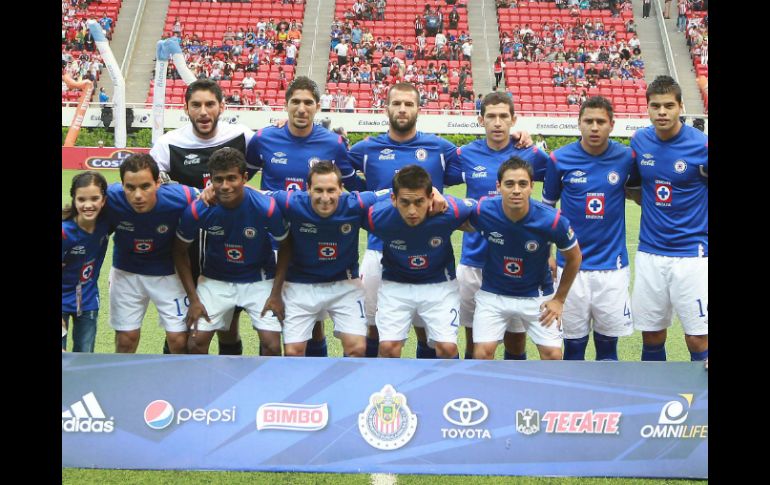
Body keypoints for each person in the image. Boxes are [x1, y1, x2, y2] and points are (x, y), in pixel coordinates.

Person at [349, 82, 532, 359]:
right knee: (375, 329)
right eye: (396, 103)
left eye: (408, 104)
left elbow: (485, 163)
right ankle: (377, 386)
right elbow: (327, 167)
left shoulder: (441, 149)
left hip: (432, 252)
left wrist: (514, 137)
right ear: (385, 107)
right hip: (380, 251)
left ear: (419, 109)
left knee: (430, 335)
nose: (402, 109)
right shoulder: (365, 149)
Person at [245, 76, 366, 357]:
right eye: (295, 102)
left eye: (308, 102)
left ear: (318, 106)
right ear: (285, 105)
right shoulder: (263, 138)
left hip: (317, 239)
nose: (301, 108)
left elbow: (355, 186)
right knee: (279, 323)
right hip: (275, 241)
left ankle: (317, 381)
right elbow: (242, 179)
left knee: (314, 319)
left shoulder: (334, 143)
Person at [150, 78, 254, 356]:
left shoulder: (243, 136)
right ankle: (176, 386)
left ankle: (228, 386)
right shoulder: (168, 144)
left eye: (210, 104)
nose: (203, 111)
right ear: (186, 108)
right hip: (186, 243)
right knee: (183, 325)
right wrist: (194, 195)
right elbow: (151, 186)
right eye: (196, 105)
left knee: (228, 324)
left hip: (230, 243)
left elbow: (267, 155)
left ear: (222, 106)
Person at [445, 92, 550, 360]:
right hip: (474, 261)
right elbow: (435, 177)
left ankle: (513, 399)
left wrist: (548, 250)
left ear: (513, 119)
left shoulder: (531, 155)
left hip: (517, 262)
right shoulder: (466, 154)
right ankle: (473, 393)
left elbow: (554, 192)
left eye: (504, 116)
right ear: (481, 120)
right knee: (474, 341)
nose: (498, 122)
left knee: (515, 343)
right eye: (491, 116)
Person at [262, 162, 391, 357]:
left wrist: (433, 191)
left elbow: (396, 190)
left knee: (357, 349)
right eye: (318, 190)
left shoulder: (355, 203)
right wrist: (210, 190)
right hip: (300, 284)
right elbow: (253, 193)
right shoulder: (292, 202)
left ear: (341, 189)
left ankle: (347, 387)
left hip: (344, 284)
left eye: (331, 190)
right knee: (293, 353)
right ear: (308, 190)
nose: (325, 198)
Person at [542, 96, 635, 361]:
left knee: (608, 347)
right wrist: (546, 254)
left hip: (613, 268)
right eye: (589, 121)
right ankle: (575, 401)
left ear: (612, 124)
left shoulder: (626, 157)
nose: (594, 127)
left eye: (600, 122)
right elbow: (547, 211)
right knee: (573, 346)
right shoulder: (559, 159)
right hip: (570, 269)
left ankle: (607, 400)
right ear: (579, 123)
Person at [173, 148, 288, 355]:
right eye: (219, 180)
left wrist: (276, 293)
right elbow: (179, 251)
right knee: (195, 343)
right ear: (211, 180)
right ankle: (205, 387)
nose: (225, 186)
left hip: (259, 279)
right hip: (215, 279)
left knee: (271, 344)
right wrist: (194, 299)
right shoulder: (199, 210)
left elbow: (287, 246)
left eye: (231, 178)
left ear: (244, 178)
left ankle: (266, 387)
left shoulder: (265, 207)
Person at [626, 75, 708, 362]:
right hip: (650, 253)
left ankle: (702, 401)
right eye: (655, 106)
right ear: (647, 108)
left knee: (697, 337)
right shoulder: (640, 140)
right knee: (651, 333)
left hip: (692, 255)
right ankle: (656, 396)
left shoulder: (702, 146)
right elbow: (634, 187)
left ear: (680, 107)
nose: (662, 112)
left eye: (668, 106)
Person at [469, 158, 582, 360]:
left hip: (537, 296)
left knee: (553, 357)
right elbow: (454, 214)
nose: (516, 190)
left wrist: (559, 300)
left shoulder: (553, 220)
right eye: (509, 184)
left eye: (522, 184)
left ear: (532, 187)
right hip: (493, 294)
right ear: (498, 186)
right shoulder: (482, 210)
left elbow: (574, 258)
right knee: (482, 354)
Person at [362, 165, 473, 358]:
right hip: (395, 284)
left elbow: (476, 206)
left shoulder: (450, 211)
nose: (412, 210)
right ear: (393, 200)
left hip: (440, 285)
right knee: (388, 347)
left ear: (431, 198)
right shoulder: (376, 217)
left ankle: (453, 388)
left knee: (447, 348)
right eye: (405, 202)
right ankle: (387, 388)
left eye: (419, 202)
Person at [104, 154, 199, 354]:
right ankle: (124, 383)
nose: (138, 195)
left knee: (178, 340)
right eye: (130, 187)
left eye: (145, 186)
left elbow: (213, 194)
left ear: (158, 183)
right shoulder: (110, 197)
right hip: (126, 272)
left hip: (167, 272)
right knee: (125, 340)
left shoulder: (180, 196)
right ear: (122, 185)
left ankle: (176, 385)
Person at [62, 172, 110, 352]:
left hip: (87, 299)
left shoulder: (105, 225)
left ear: (103, 200)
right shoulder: (65, 233)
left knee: (85, 354)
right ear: (74, 200)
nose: (88, 205)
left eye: (95, 198)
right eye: (81, 199)